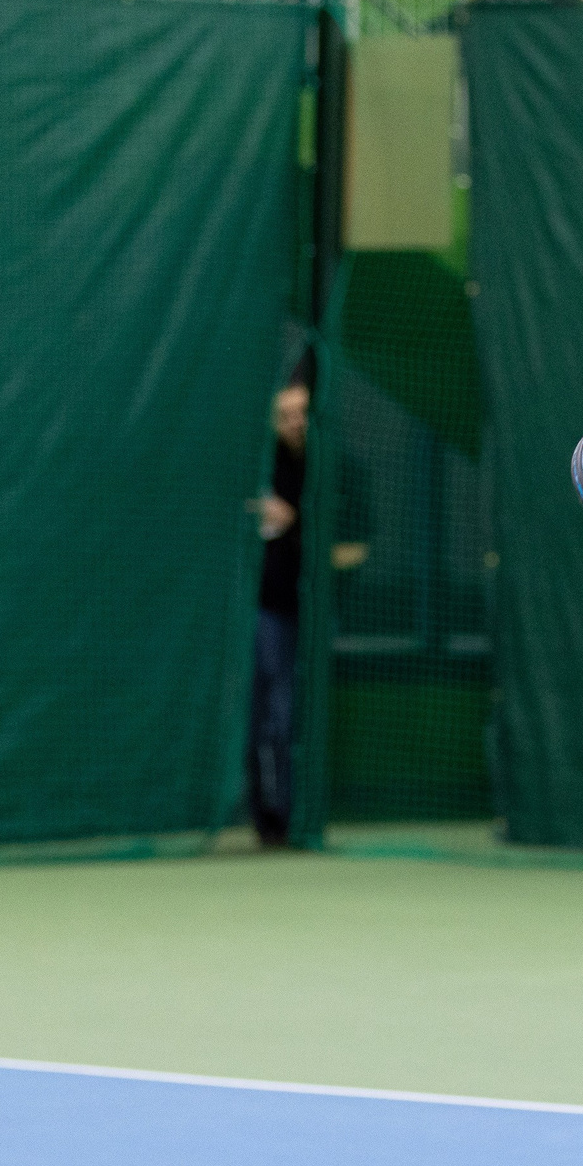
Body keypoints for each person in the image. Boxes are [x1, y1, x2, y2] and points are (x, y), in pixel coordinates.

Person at [246, 362, 313, 845]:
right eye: (285, 414)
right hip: (267, 610)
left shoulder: (331, 468)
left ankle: (297, 812)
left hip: (311, 611)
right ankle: (269, 815)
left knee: (291, 716)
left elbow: (352, 547)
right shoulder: (260, 465)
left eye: (302, 412)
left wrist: (297, 523)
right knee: (268, 716)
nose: (294, 421)